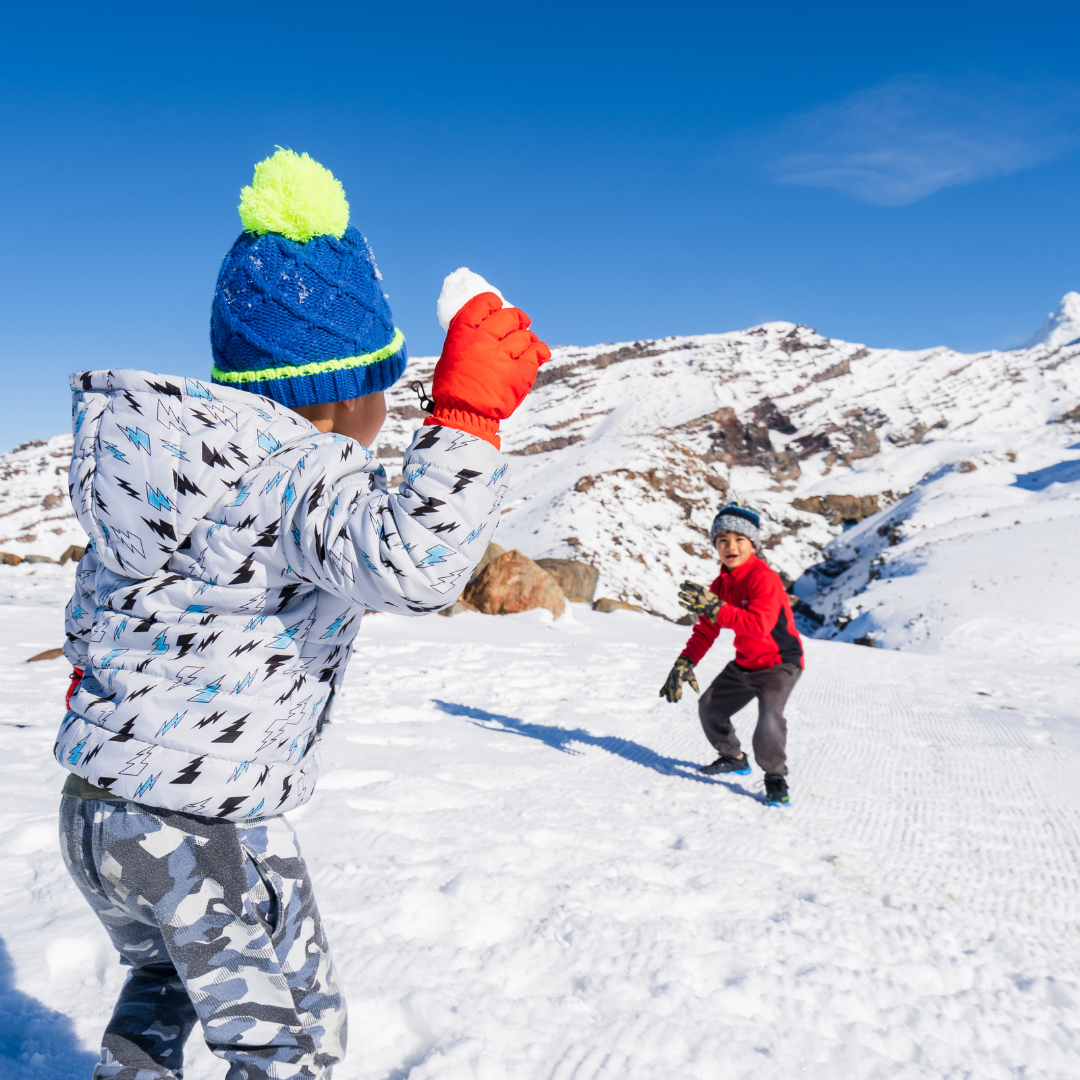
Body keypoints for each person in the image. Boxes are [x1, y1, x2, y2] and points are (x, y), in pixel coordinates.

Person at [54, 149, 549, 1080]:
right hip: (196, 824)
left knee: (164, 986)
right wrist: (468, 420)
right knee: (290, 1044)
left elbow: (94, 617)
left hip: (99, 811)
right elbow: (418, 563)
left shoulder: (159, 467)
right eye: (385, 388)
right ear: (345, 391)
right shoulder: (295, 476)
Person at [659, 499, 804, 806]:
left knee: (769, 719)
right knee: (710, 707)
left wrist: (716, 608)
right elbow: (706, 629)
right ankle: (734, 757)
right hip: (745, 663)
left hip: (780, 663)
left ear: (753, 544)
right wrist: (685, 661)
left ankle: (775, 777)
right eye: (722, 540)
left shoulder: (764, 579)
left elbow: (758, 626)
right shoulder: (721, 584)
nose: (730, 546)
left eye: (739, 539)